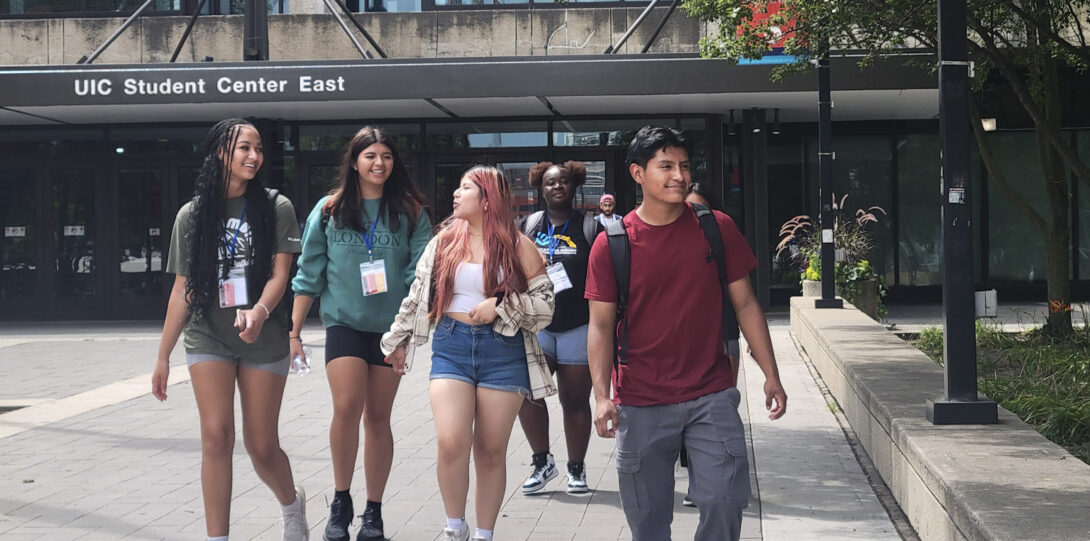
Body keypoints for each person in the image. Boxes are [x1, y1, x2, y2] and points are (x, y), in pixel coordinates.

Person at [585, 126, 787, 541]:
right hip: (640, 402)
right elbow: (601, 325)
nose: (679, 175)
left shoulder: (717, 228)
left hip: (709, 392)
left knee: (725, 500)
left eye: (684, 166)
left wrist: (771, 373)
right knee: (648, 521)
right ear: (638, 174)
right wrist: (602, 396)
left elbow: (745, 304)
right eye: (666, 166)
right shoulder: (613, 244)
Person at [152, 118, 308, 541]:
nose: (254, 156)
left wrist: (258, 311)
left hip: (264, 336)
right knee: (216, 437)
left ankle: (292, 505)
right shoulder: (193, 215)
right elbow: (182, 289)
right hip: (209, 334)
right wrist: (163, 356)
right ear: (221, 152)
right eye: (244, 148)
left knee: (261, 447)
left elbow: (281, 276)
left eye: (258, 149)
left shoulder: (276, 207)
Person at [381, 165, 556, 541]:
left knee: (491, 451)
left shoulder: (517, 245)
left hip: (503, 350)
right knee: (450, 440)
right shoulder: (443, 241)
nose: (455, 194)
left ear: (488, 197)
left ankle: (484, 534)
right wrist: (398, 339)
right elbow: (416, 297)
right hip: (451, 346)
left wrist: (502, 307)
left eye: (465, 188)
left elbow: (546, 305)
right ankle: (454, 527)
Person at [289, 126, 431, 541]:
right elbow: (309, 272)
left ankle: (374, 512)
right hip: (344, 325)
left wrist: (406, 335)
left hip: (391, 330)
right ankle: (340, 500)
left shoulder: (410, 211)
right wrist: (294, 332)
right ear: (354, 162)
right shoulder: (330, 209)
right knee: (347, 408)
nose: (379, 163)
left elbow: (419, 277)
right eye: (370, 156)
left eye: (386, 156)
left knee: (378, 419)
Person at [516, 161, 603, 495]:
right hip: (538, 326)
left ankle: (576, 469)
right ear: (541, 188)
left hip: (578, 326)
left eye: (563, 182)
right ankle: (542, 462)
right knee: (528, 394)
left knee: (575, 400)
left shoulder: (589, 227)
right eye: (550, 183)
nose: (557, 187)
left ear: (574, 186)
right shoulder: (528, 225)